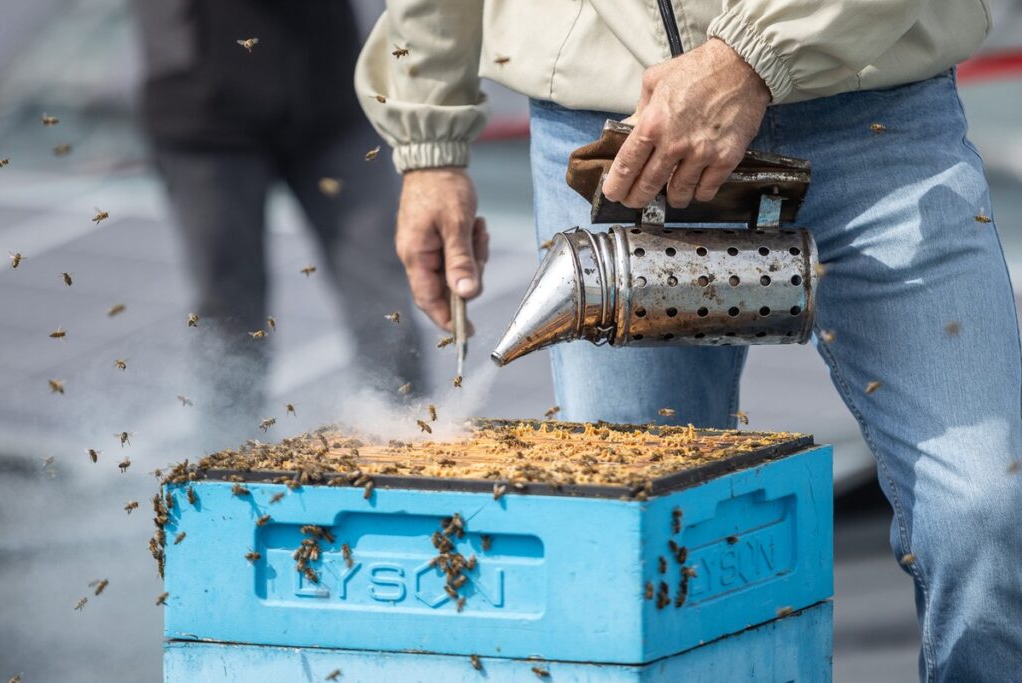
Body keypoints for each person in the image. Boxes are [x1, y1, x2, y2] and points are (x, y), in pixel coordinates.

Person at [354, 2, 1022, 680]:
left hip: (878, 115)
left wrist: (750, 56)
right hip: (620, 147)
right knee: (636, 558)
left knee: (986, 509)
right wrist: (427, 142)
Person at [134, 0, 421, 450]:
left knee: (385, 298)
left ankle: (409, 453)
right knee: (229, 311)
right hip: (202, 112)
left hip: (334, 102)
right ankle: (228, 474)